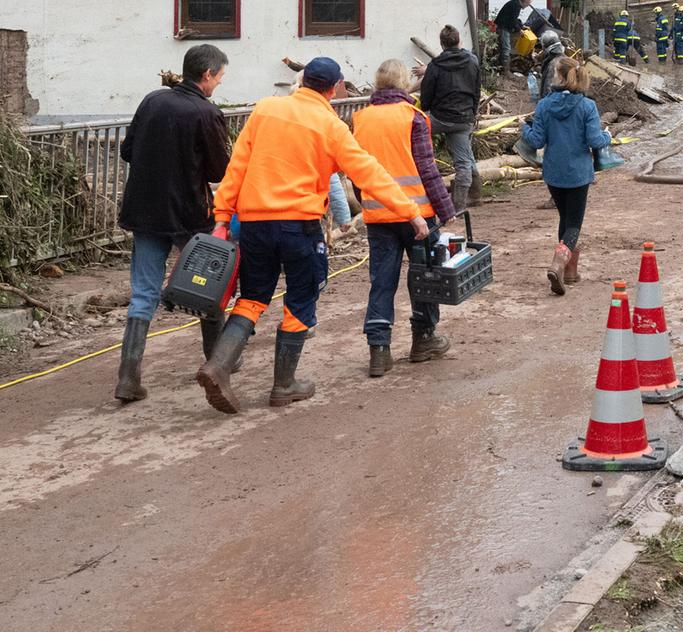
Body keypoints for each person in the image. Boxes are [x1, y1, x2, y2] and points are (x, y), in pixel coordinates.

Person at [196, 58, 428, 415]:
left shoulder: (266, 109)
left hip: (256, 224)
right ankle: (284, 384)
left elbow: (237, 166)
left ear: (302, 80)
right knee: (301, 297)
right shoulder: (330, 126)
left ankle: (219, 366)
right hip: (299, 227)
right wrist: (410, 212)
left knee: (253, 298)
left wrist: (222, 217)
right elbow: (370, 173)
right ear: (334, 88)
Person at [113, 45, 231, 403]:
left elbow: (127, 151)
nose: (219, 84)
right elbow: (218, 171)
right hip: (187, 214)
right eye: (219, 78)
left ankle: (128, 377)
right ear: (207, 75)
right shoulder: (206, 112)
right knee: (207, 285)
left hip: (144, 210)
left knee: (144, 292)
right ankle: (217, 362)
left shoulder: (152, 100)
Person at [352, 60, 457, 378]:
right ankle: (423, 339)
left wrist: (364, 200)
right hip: (418, 215)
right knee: (425, 278)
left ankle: (379, 350)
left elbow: (357, 169)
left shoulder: (361, 118)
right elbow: (426, 167)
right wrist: (446, 208)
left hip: (378, 213)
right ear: (402, 84)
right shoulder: (413, 117)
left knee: (381, 282)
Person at [522, 56, 611, 297]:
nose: (551, 78)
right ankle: (558, 265)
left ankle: (569, 273)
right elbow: (595, 141)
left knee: (564, 218)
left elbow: (537, 140)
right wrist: (608, 137)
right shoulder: (587, 106)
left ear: (561, 77)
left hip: (553, 173)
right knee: (574, 224)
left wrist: (525, 128)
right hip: (579, 174)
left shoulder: (544, 105)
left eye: (553, 74)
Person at [418, 24, 482, 211]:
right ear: (459, 40)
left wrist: (425, 110)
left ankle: (417, 184)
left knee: (412, 136)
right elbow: (477, 89)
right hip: (463, 118)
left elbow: (426, 93)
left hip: (439, 117)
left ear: (441, 43)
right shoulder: (472, 61)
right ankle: (464, 201)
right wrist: (472, 112)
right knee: (464, 160)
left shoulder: (435, 65)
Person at [533, 29, 565, 101]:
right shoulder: (564, 59)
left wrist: (544, 105)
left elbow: (548, 90)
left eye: (543, 47)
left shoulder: (553, 65)